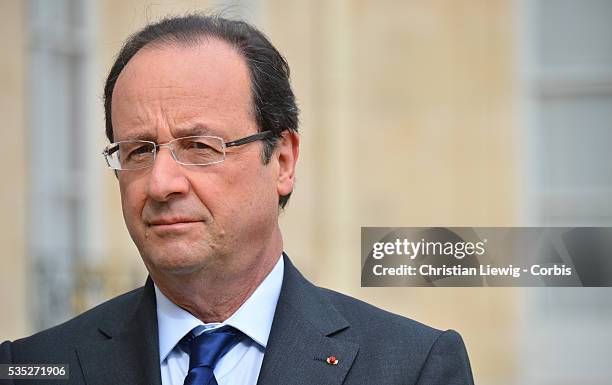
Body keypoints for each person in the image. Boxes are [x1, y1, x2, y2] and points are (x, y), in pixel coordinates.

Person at [0, 14, 474, 385]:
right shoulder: (32, 367)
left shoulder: (412, 367)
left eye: (200, 147)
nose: (161, 183)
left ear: (283, 161)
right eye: (139, 151)